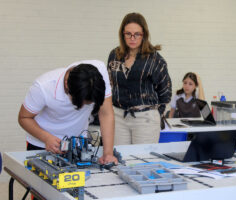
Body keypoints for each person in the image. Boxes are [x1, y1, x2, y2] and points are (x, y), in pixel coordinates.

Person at [18, 60, 118, 165]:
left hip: (78, 145)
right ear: (67, 85)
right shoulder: (43, 87)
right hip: (42, 144)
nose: (84, 107)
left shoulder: (99, 74)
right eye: (80, 103)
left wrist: (108, 153)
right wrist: (46, 138)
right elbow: (24, 118)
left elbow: (106, 113)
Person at [107, 12, 172, 145]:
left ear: (144, 35)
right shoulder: (114, 55)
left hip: (145, 118)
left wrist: (155, 114)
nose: (132, 38)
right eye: (128, 34)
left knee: (142, 161)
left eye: (137, 34)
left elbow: (165, 92)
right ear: (122, 34)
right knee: (120, 159)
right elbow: (109, 85)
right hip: (118, 116)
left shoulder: (155, 60)